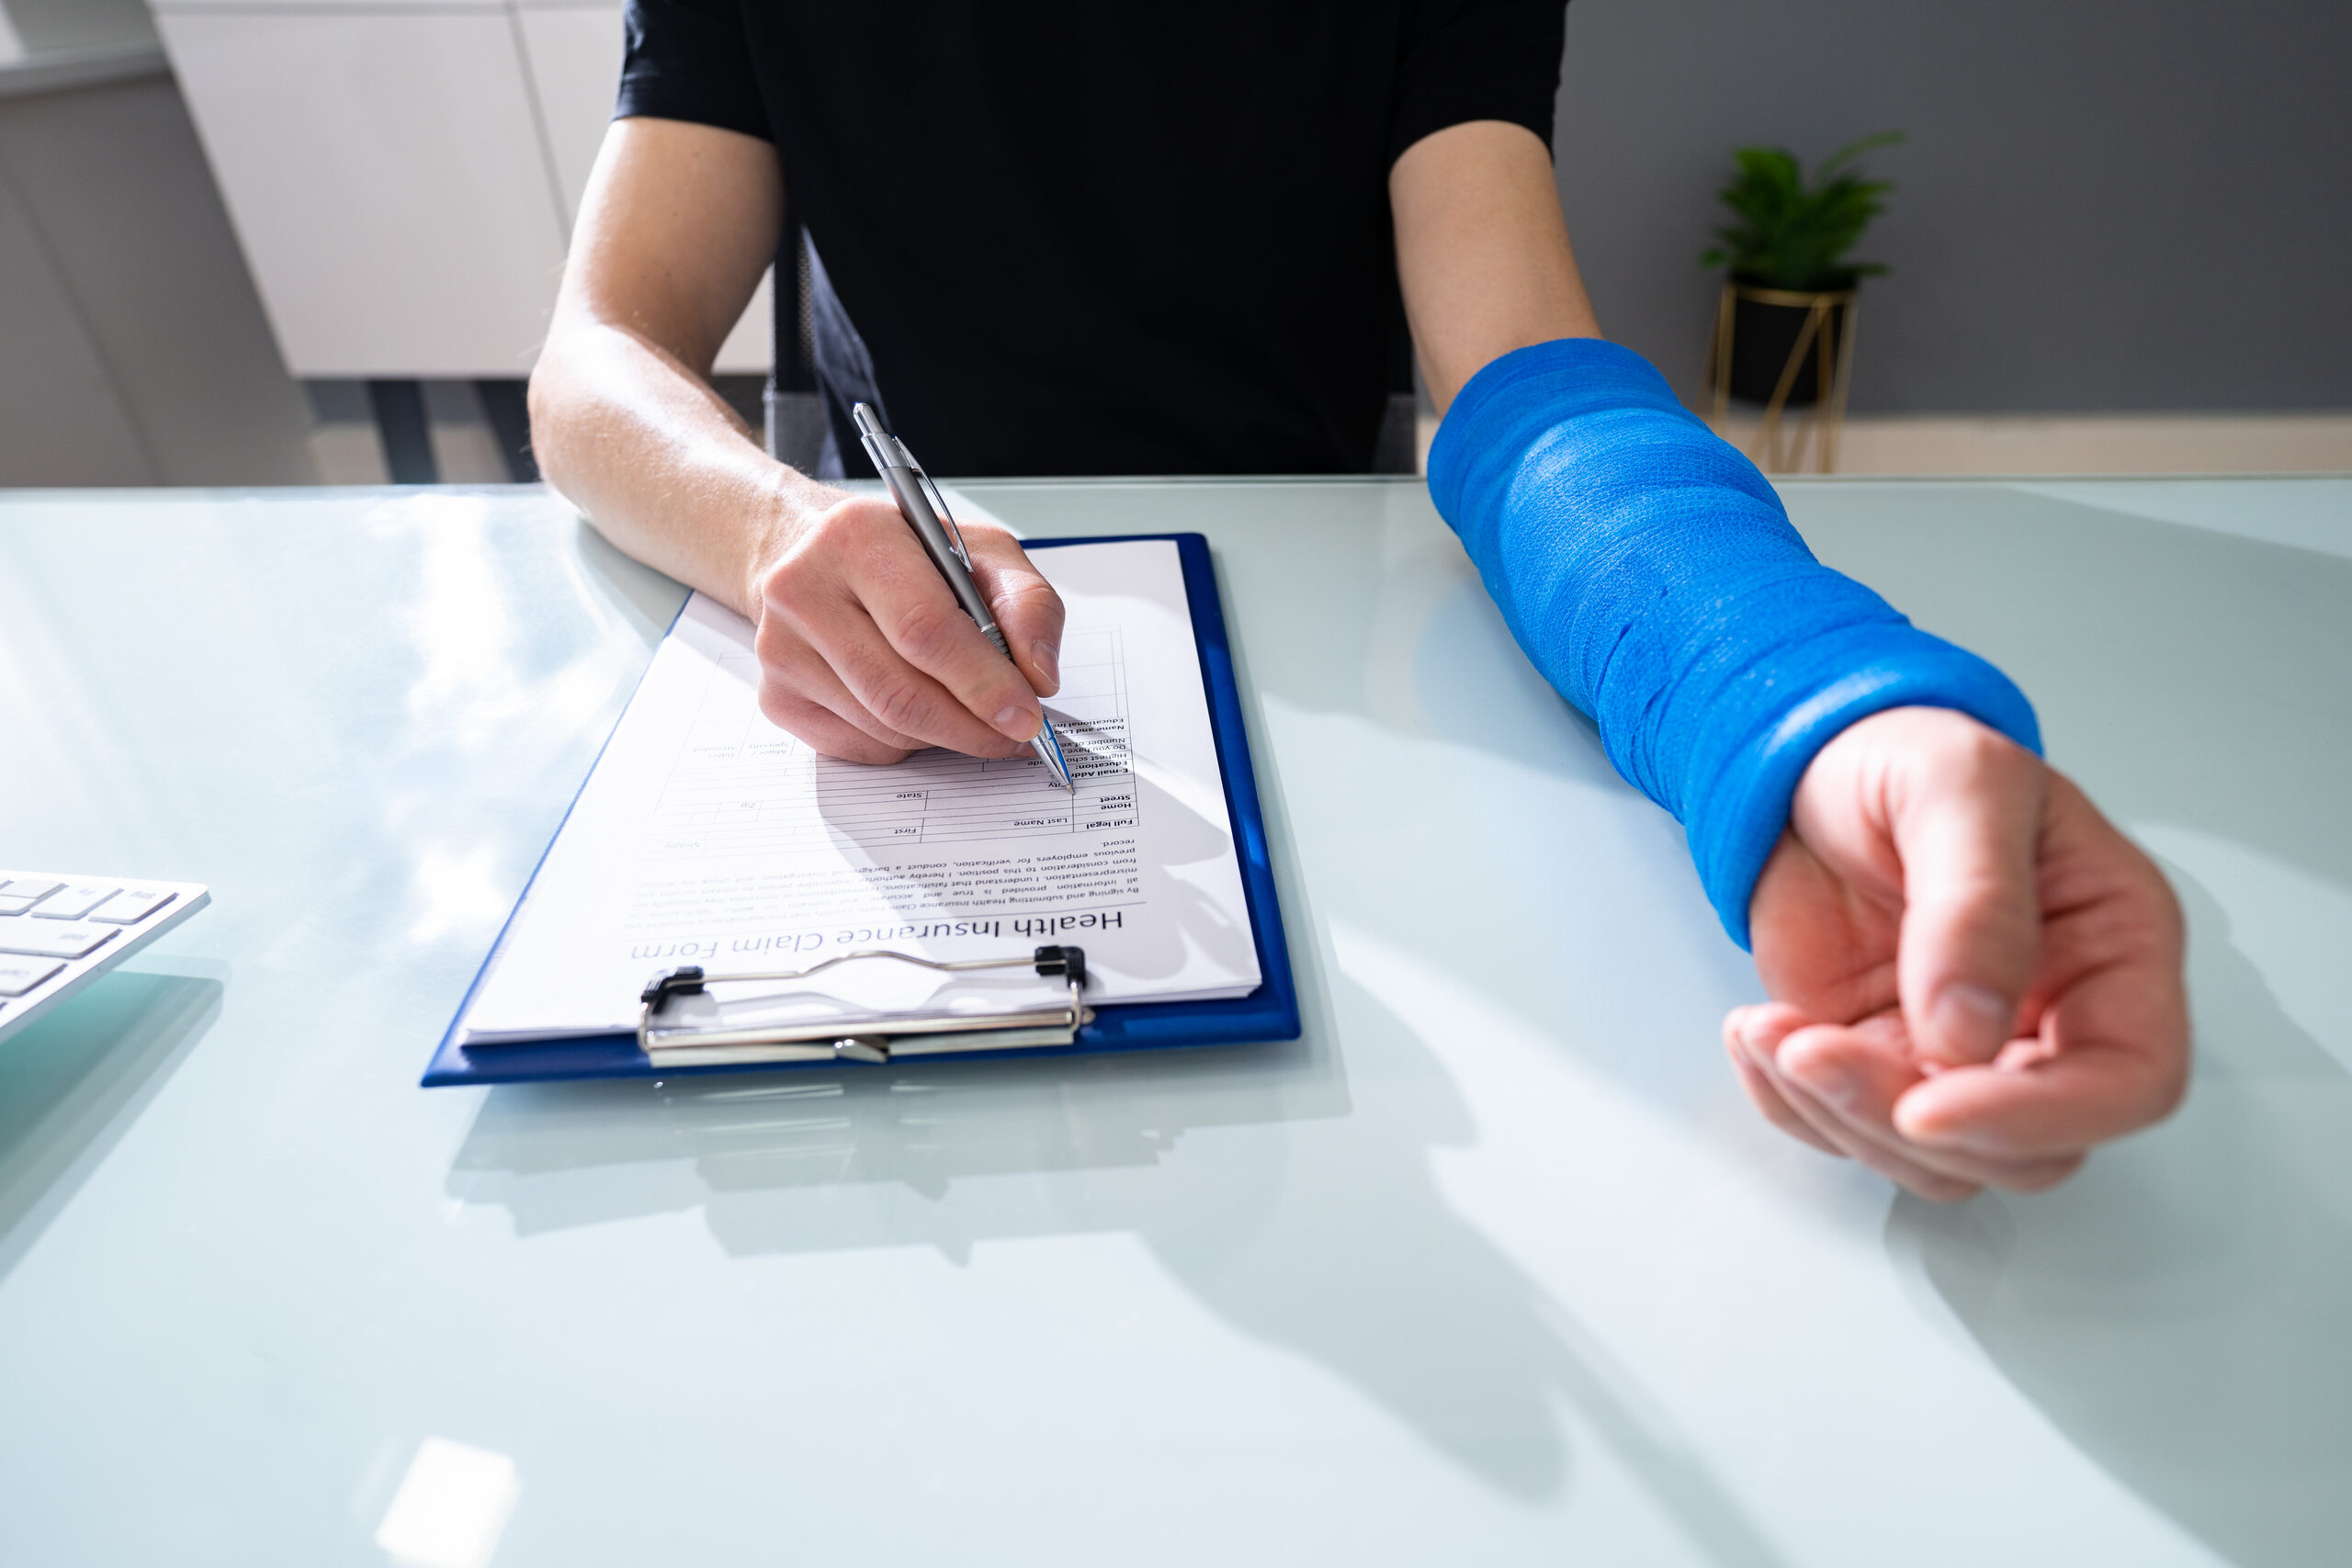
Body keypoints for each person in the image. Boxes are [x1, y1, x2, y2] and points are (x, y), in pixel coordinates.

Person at [528, 1, 2188, 1202]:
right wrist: (766, 531)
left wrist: (1802, 693)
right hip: (891, 594)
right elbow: (600, 360)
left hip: (1326, 614)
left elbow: (1520, 387)